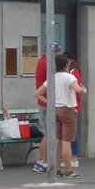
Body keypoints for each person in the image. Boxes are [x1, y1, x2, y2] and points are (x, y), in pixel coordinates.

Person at [35, 54, 87, 178]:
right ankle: (68, 171)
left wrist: (50, 102)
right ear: (66, 65)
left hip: (55, 110)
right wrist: (84, 90)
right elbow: (78, 90)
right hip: (67, 111)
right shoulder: (69, 77)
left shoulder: (52, 78)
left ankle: (56, 169)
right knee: (66, 142)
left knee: (56, 141)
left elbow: (37, 93)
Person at [31, 44, 62, 173]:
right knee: (51, 135)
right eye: (57, 52)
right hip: (47, 102)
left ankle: (40, 161)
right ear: (52, 52)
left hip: (42, 102)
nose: (58, 54)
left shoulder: (41, 61)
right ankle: (45, 162)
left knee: (46, 134)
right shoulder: (48, 64)